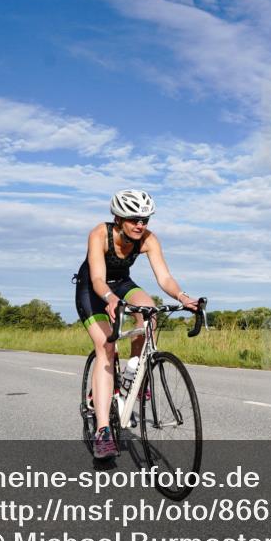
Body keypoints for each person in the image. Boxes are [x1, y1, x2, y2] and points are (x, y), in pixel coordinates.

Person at [74, 190, 198, 458]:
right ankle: (104, 431)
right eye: (134, 219)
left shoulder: (149, 240)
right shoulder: (100, 234)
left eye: (145, 219)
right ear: (118, 218)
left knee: (150, 310)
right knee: (106, 346)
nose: (140, 225)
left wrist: (182, 296)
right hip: (93, 290)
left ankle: (133, 371)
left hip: (122, 283)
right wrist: (109, 299)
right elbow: (97, 279)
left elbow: (164, 277)